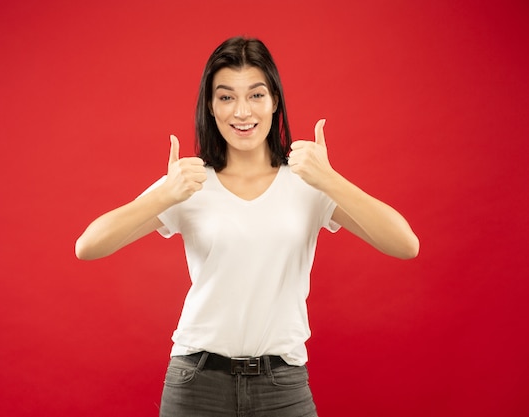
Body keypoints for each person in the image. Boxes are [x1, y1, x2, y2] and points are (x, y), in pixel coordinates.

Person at [75, 36, 419, 417]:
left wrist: (330, 180)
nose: (242, 111)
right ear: (211, 106)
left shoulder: (308, 181)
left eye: (255, 95)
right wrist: (164, 196)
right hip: (196, 384)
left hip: (282, 386)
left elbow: (405, 244)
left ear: (274, 101)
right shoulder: (189, 182)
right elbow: (88, 246)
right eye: (226, 97)